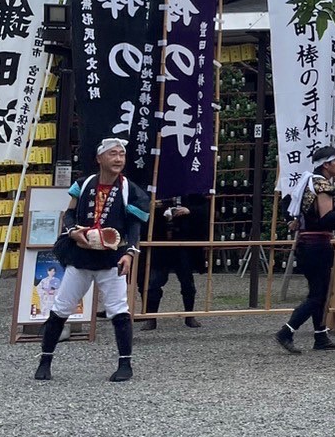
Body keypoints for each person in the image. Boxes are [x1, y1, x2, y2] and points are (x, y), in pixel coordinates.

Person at [34, 137, 150, 383]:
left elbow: (134, 226)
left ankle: (125, 364)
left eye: (121, 154)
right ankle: (45, 360)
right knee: (61, 308)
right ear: (99, 158)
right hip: (81, 256)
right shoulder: (83, 184)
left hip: (112, 258)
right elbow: (69, 214)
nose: (118, 159)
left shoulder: (130, 190)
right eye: (112, 154)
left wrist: (130, 253)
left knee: (118, 309)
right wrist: (72, 232)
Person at [275, 145, 335, 354]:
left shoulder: (307, 182)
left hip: (307, 244)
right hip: (317, 245)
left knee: (320, 291)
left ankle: (320, 335)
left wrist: (291, 220)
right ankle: (287, 331)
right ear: (326, 165)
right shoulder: (321, 185)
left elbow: (287, 201)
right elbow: (326, 220)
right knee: (318, 294)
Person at [136, 193, 208, 331]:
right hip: (160, 242)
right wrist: (154, 207)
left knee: (187, 281)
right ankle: (151, 317)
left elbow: (205, 209)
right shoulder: (158, 189)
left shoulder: (191, 191)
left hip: (183, 242)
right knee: (154, 281)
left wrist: (189, 210)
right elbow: (143, 210)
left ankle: (189, 315)